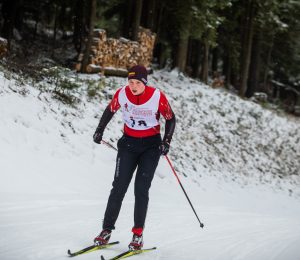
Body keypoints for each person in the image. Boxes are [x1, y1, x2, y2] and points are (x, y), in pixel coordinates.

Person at [93, 65, 176, 251]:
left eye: (138, 82)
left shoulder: (157, 96)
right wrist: (99, 130)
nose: (133, 86)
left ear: (144, 83)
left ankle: (138, 235)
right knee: (118, 188)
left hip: (150, 147)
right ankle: (106, 230)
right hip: (128, 145)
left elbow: (170, 118)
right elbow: (110, 110)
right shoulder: (122, 94)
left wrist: (166, 141)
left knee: (141, 189)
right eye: (131, 82)